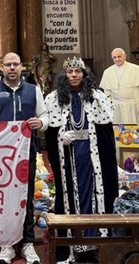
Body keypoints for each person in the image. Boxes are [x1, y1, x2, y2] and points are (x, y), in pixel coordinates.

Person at [0, 52, 48, 264]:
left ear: (21, 68)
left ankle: (27, 243)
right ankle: (6, 243)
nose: (12, 68)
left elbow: (46, 117)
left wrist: (40, 123)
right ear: (2, 69)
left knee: (26, 197)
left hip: (26, 153)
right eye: (7, 64)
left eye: (15, 64)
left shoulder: (34, 91)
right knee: (2, 197)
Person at [44, 57, 119, 263]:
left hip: (93, 156)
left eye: (78, 71)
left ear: (84, 75)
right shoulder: (54, 98)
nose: (74, 75)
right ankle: (73, 245)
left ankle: (97, 242)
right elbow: (49, 133)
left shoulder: (97, 97)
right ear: (64, 75)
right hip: (69, 156)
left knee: (96, 194)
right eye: (70, 72)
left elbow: (106, 132)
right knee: (71, 194)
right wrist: (60, 137)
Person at [99, 47, 139, 156]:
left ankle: (138, 159)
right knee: (117, 134)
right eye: (114, 57)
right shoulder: (108, 72)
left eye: (119, 56)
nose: (117, 59)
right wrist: (108, 110)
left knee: (137, 134)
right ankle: (119, 160)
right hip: (116, 108)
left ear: (125, 56)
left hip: (134, 107)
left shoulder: (136, 69)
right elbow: (106, 94)